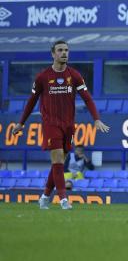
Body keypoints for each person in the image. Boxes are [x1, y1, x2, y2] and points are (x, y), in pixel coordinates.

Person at [12, 41, 109, 211]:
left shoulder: (75, 75)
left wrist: (96, 118)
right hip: (51, 124)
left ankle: (44, 197)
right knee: (57, 159)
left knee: (60, 161)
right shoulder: (42, 77)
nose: (64, 53)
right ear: (52, 54)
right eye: (60, 50)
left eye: (66, 50)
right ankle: (64, 199)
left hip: (69, 125)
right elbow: (31, 101)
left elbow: (87, 98)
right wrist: (21, 123)